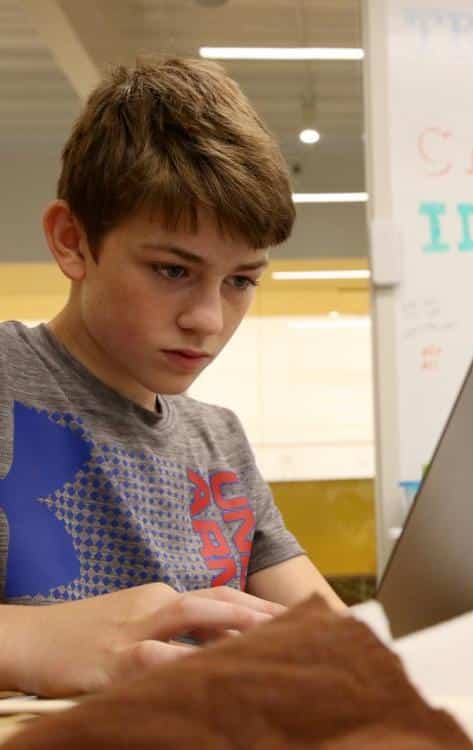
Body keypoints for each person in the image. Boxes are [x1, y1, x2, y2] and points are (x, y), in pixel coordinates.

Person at [0, 58, 346, 698]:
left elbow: (333, 638)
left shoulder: (219, 441)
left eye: (240, 281)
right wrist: (30, 641)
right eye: (170, 270)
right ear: (72, 240)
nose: (208, 319)